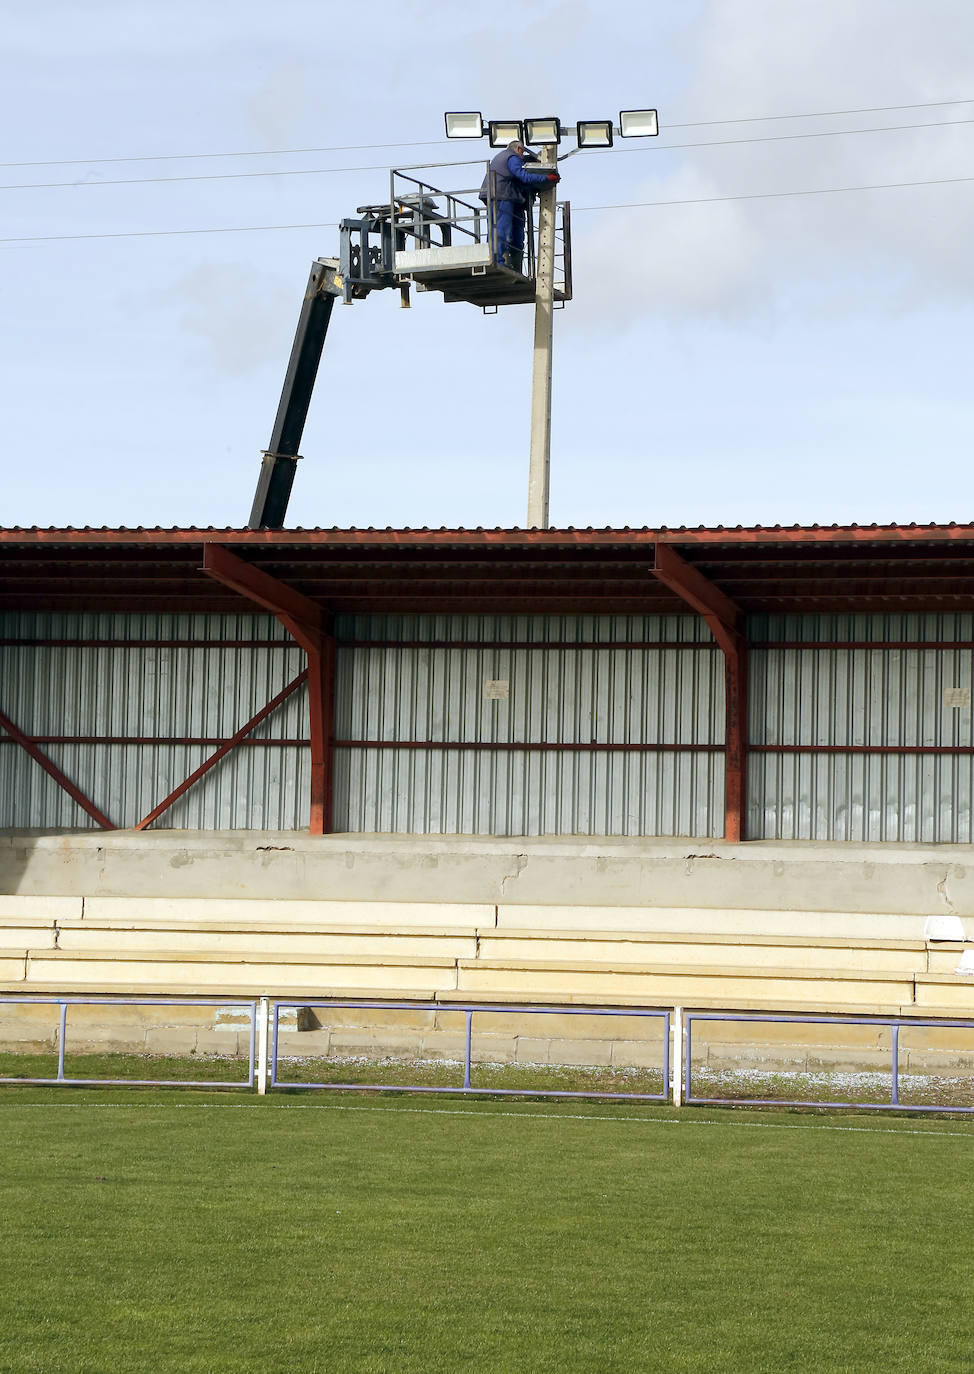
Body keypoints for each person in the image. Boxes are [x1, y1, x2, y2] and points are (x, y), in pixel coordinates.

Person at [479, 140, 560, 272]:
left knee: (502, 228)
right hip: (501, 195)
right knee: (501, 228)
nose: (522, 156)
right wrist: (546, 178)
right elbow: (523, 176)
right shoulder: (512, 157)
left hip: (501, 195)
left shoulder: (505, 157)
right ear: (518, 149)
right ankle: (497, 259)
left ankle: (500, 259)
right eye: (522, 153)